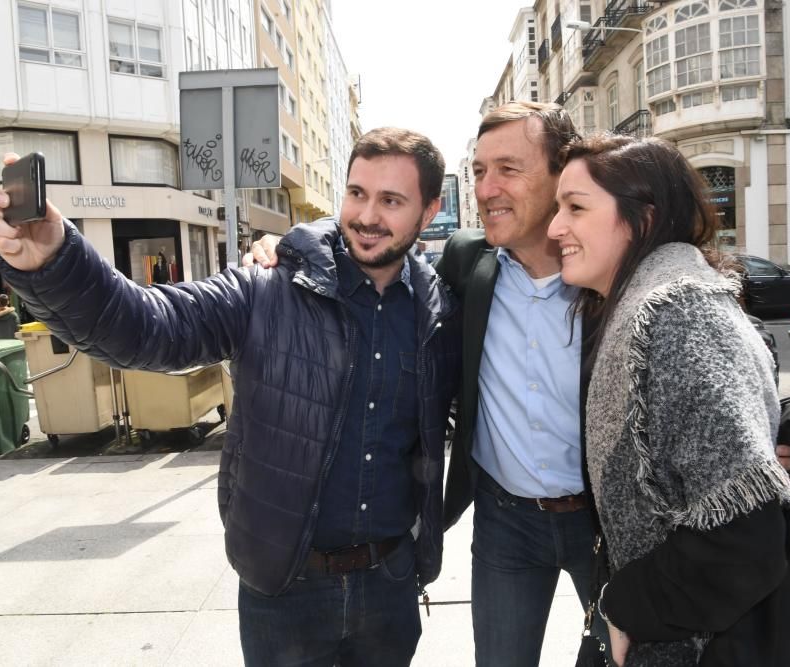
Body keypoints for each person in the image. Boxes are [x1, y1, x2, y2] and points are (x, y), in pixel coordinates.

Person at [0, 127, 461, 667]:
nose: (367, 215)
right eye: (357, 193)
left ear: (429, 209)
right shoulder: (267, 288)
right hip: (285, 588)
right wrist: (57, 260)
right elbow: (147, 326)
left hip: (390, 588)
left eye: (391, 200)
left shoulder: (437, 314)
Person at [247, 102, 605, 666]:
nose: (487, 189)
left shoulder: (609, 267)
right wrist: (296, 242)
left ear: (562, 175)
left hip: (601, 519)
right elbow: (377, 229)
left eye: (508, 169)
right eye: (480, 171)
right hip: (504, 520)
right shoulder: (468, 262)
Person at [547, 133, 790, 666]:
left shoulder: (678, 313)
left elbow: (744, 537)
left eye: (575, 208)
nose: (554, 227)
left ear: (644, 218)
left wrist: (624, 608)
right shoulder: (639, 305)